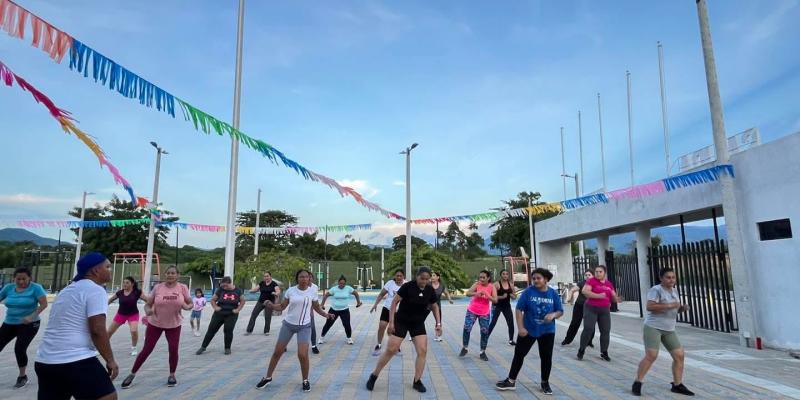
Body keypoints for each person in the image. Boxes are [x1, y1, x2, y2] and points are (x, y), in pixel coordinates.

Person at [34, 252, 118, 400]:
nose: (111, 270)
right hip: (75, 360)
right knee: (108, 397)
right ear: (95, 271)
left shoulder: (66, 291)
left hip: (45, 361)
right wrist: (110, 360)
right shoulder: (95, 289)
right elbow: (97, 330)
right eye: (108, 267)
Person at [255, 269, 333, 393]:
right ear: (297, 278)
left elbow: (316, 307)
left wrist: (325, 314)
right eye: (301, 277)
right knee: (277, 352)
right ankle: (268, 377)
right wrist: (271, 305)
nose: (304, 279)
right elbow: (282, 306)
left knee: (302, 355)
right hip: (289, 325)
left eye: (307, 277)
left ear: (309, 278)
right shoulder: (291, 291)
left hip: (304, 326)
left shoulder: (312, 291)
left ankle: (305, 380)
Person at [366, 267, 441, 393]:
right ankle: (374, 376)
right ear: (416, 276)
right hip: (401, 321)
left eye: (427, 279)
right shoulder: (408, 287)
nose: (424, 281)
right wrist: (391, 323)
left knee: (422, 351)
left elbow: (434, 306)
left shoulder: (429, 289)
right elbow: (394, 302)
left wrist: (438, 323)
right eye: (422, 278)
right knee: (391, 350)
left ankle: (417, 381)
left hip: (417, 323)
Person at [121, 265, 192, 389]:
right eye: (168, 273)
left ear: (178, 275)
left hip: (174, 325)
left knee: (173, 350)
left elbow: (190, 302)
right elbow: (147, 305)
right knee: (147, 349)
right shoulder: (158, 287)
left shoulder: (183, 288)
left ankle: (172, 375)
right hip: (155, 324)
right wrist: (148, 311)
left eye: (173, 273)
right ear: (165, 275)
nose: (170, 275)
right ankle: (132, 374)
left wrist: (188, 306)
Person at [496, 268, 563, 394]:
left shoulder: (553, 294)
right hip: (528, 330)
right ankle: (511, 381)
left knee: (546, 357)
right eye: (534, 278)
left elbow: (560, 311)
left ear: (546, 280)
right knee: (519, 354)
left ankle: (545, 382)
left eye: (539, 278)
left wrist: (553, 315)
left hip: (547, 331)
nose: (536, 280)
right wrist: (521, 328)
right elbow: (519, 309)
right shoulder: (528, 292)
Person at [632, 268, 694, 396]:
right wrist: (671, 305)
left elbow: (674, 310)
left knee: (679, 355)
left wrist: (682, 308)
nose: (671, 280)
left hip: (669, 329)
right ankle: (638, 382)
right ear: (661, 278)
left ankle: (677, 385)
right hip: (654, 327)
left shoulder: (674, 290)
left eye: (673, 277)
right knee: (651, 355)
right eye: (668, 277)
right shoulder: (656, 290)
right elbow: (650, 307)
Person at [0, 267, 47, 388]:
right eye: (18, 279)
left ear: (29, 278)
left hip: (30, 324)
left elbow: (44, 304)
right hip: (10, 322)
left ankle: (22, 376)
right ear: (14, 278)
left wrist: (32, 316)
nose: (21, 281)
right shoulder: (8, 288)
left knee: (19, 348)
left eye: (24, 279)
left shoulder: (36, 288)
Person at [577, 265, 620, 362]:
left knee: (605, 331)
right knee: (588, 329)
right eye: (596, 271)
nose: (597, 273)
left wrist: (616, 298)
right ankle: (581, 349)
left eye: (600, 271)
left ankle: (604, 352)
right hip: (591, 308)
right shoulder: (591, 281)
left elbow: (613, 298)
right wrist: (599, 296)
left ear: (604, 273)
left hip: (604, 310)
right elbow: (585, 291)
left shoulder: (609, 284)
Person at [196, 276, 245, 355]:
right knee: (211, 329)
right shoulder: (220, 290)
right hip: (219, 313)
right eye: (223, 286)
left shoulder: (238, 291)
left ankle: (227, 348)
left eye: (226, 285)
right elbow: (212, 300)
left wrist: (238, 309)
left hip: (231, 314)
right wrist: (215, 307)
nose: (224, 287)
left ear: (230, 283)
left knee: (228, 330)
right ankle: (203, 347)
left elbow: (243, 301)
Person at [459, 270, 497, 361]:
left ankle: (482, 352)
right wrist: (476, 293)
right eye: (480, 277)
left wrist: (488, 296)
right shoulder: (477, 284)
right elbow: (467, 293)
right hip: (472, 310)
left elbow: (495, 300)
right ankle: (465, 347)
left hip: (484, 312)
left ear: (488, 278)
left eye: (484, 277)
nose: (481, 279)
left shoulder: (492, 287)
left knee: (484, 332)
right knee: (467, 328)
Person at [369, 269, 406, 356]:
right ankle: (378, 345)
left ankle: (396, 347)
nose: (399, 277)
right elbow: (381, 294)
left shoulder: (406, 285)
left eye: (401, 276)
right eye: (397, 275)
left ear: (403, 277)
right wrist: (375, 304)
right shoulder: (390, 283)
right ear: (395, 276)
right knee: (382, 325)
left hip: (399, 311)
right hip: (387, 308)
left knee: (396, 329)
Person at [107, 276, 147, 356]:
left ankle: (134, 348)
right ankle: (103, 347)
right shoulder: (120, 292)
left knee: (134, 331)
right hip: (121, 314)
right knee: (109, 331)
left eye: (127, 283)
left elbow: (148, 300)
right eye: (124, 282)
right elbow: (110, 300)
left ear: (132, 284)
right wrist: (102, 308)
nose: (125, 284)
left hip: (133, 315)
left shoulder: (137, 292)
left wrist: (150, 310)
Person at [319, 275, 362, 345]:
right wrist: (322, 304)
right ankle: (321, 338)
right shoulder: (334, 289)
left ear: (345, 283)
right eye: (341, 283)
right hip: (333, 310)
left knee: (347, 324)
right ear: (338, 283)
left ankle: (349, 338)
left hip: (344, 310)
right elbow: (326, 295)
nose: (342, 285)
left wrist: (358, 302)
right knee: (328, 324)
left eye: (344, 283)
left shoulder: (348, 288)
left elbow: (356, 294)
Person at [561, 270, 594, 347]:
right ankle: (567, 340)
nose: (587, 276)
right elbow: (572, 290)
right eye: (586, 275)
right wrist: (569, 298)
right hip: (579, 306)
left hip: (591, 307)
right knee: (575, 323)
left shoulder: (595, 284)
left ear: (592, 276)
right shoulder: (581, 283)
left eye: (589, 275)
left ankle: (589, 341)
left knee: (590, 325)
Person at [488, 269, 517, 346]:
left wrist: (511, 295)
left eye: (506, 274)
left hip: (506, 306)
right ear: (501, 275)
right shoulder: (496, 284)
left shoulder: (511, 285)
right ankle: (485, 338)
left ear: (508, 275)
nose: (505, 275)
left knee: (511, 322)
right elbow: (490, 296)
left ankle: (511, 340)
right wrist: (501, 297)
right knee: (493, 322)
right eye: (503, 274)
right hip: (496, 306)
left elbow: (514, 297)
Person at [246, 271, 281, 336]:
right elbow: (256, 289)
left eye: (267, 276)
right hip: (261, 301)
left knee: (267, 317)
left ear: (270, 277)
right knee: (254, 314)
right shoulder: (262, 283)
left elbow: (278, 291)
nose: (266, 277)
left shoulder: (274, 284)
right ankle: (249, 330)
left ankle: (266, 331)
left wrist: (276, 293)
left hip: (269, 302)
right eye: (265, 276)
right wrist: (250, 291)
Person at [430, 271, 453, 342]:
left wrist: (449, 299)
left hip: (437, 305)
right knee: (419, 319)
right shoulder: (428, 284)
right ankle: (413, 335)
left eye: (434, 275)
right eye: (431, 276)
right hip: (427, 305)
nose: (432, 277)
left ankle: (438, 336)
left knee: (438, 320)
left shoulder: (441, 285)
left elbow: (446, 293)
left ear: (438, 277)